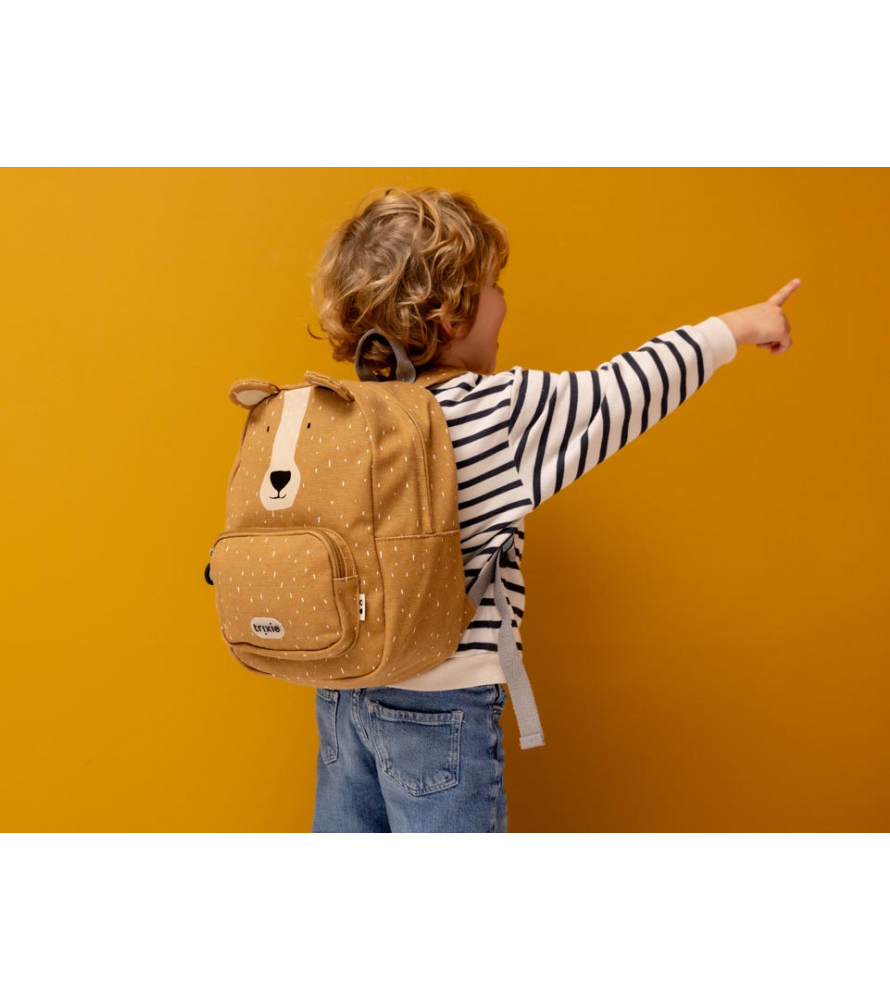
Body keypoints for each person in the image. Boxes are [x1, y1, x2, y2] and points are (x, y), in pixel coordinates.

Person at [308, 186, 799, 833]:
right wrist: (741, 325)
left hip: (341, 695)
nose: (504, 300)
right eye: (494, 285)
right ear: (451, 314)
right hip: (441, 706)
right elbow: (629, 388)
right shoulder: (494, 411)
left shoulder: (345, 414)